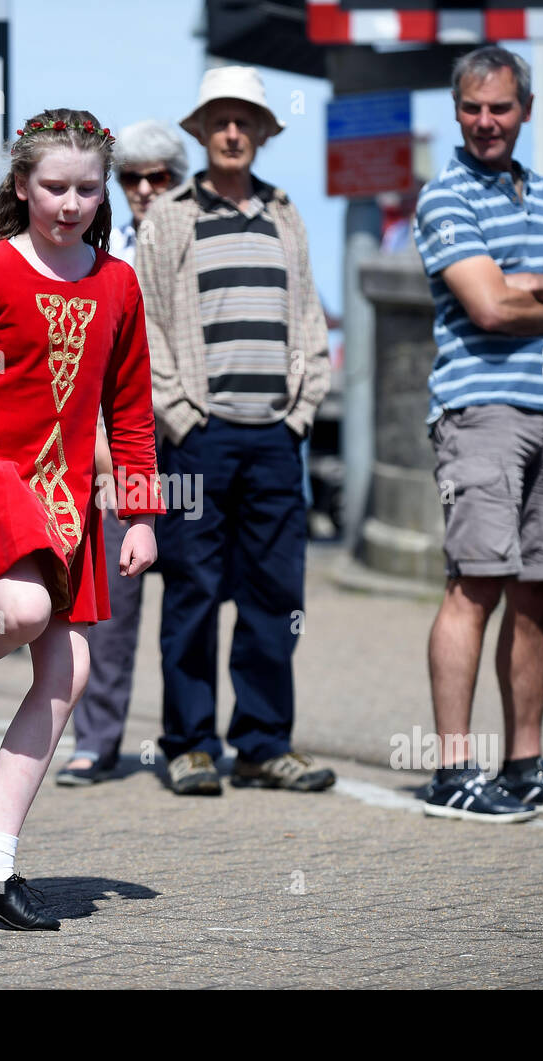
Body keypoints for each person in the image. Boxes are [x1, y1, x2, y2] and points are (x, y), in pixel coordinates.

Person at [0, 109, 162, 931]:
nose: (71, 202)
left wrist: (141, 515)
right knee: (21, 610)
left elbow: (131, 411)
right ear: (21, 185)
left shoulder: (118, 283)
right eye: (53, 186)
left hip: (69, 500)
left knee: (71, 671)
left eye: (88, 188)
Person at [412, 46, 543, 821]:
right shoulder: (445, 195)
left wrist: (531, 286)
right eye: (471, 107)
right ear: (456, 110)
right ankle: (453, 772)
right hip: (479, 409)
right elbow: (490, 310)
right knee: (476, 584)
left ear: (524, 110)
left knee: (538, 596)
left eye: (499, 107)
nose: (486, 121)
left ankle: (524, 763)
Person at [138, 66, 335, 797]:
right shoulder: (170, 219)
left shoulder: (285, 213)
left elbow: (310, 319)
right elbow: (149, 326)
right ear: (203, 132)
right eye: (220, 121)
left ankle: (261, 743)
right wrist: (180, 415)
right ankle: (188, 743)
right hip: (200, 436)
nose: (231, 132)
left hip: (276, 438)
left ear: (259, 133)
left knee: (275, 595)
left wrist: (302, 411)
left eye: (244, 121)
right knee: (190, 589)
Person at [55, 118, 189, 787]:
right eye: (130, 177)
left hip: (190, 434)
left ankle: (193, 740)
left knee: (194, 593)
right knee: (111, 594)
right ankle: (96, 738)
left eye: (157, 176)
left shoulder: (196, 236)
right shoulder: (99, 251)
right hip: (116, 440)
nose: (143, 189)